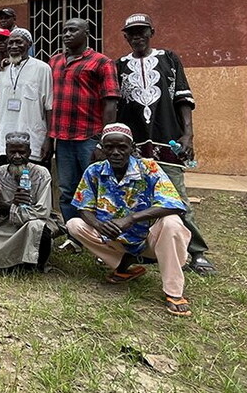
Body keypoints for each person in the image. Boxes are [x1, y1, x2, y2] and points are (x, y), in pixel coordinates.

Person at [116, 13, 215, 275]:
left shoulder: (169, 59)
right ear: (125, 36)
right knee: (136, 199)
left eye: (142, 31)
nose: (137, 37)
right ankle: (145, 249)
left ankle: (196, 251)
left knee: (176, 198)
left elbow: (183, 98)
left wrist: (188, 135)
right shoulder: (120, 66)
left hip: (168, 142)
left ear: (152, 32)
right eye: (132, 33)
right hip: (134, 145)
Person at [66, 123, 193, 317]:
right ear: (102, 147)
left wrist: (131, 219)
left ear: (132, 148)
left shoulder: (148, 168)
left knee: (172, 222)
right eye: (109, 147)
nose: (115, 152)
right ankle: (125, 264)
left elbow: (175, 204)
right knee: (74, 225)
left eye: (122, 147)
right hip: (115, 239)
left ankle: (174, 292)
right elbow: (84, 208)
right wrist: (99, 225)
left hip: (150, 239)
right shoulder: (94, 171)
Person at [49, 18, 119, 230]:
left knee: (97, 188)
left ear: (86, 32)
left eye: (73, 30)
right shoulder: (54, 62)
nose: (67, 34)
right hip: (63, 139)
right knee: (67, 189)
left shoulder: (102, 62)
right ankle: (73, 234)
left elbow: (111, 102)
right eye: (64, 31)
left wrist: (103, 141)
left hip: (89, 137)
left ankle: (100, 234)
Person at [0, 132, 57, 270]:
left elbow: (42, 211)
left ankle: (29, 264)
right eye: (12, 152)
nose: (17, 156)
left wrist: (7, 206)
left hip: (27, 223)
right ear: (6, 153)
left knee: (37, 227)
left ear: (29, 153)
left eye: (21, 152)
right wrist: (1, 207)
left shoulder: (41, 174)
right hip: (2, 223)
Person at [0, 28, 52, 168]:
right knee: (7, 184)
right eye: (10, 43)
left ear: (29, 44)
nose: (14, 46)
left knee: (32, 183)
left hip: (33, 141)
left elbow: (49, 107)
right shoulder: (2, 72)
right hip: (5, 140)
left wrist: (48, 139)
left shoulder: (42, 68)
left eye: (18, 42)